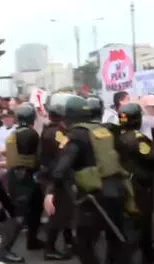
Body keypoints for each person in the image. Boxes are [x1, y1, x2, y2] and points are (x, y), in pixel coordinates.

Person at [47, 94, 126, 264]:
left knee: (83, 243)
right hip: (118, 191)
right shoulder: (106, 130)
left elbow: (61, 168)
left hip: (94, 197)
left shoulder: (76, 135)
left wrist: (50, 191)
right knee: (115, 240)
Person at [116, 102, 154, 264]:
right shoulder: (136, 138)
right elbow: (152, 157)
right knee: (142, 221)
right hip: (140, 185)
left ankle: (148, 253)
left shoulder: (117, 135)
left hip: (124, 183)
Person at [0, 103, 42, 263]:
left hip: (19, 175)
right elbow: (39, 155)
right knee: (20, 215)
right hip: (24, 176)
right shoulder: (30, 133)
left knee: (36, 208)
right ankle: (5, 250)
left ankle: (32, 239)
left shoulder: (15, 132)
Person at [39, 94, 75, 261]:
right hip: (55, 178)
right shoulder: (57, 134)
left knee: (64, 213)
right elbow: (63, 153)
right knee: (58, 214)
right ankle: (50, 248)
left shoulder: (49, 130)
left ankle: (69, 241)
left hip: (50, 175)